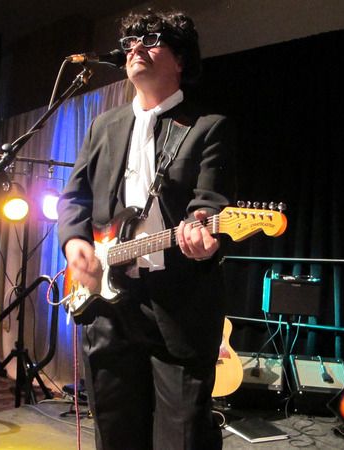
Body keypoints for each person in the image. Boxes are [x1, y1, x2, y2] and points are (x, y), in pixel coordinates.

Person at [57, 9, 235, 450]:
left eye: (151, 39)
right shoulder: (103, 126)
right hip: (108, 307)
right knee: (115, 431)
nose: (136, 47)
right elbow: (74, 198)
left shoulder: (208, 126)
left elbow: (209, 202)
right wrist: (75, 242)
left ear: (180, 59)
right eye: (131, 41)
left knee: (182, 437)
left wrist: (202, 231)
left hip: (178, 305)